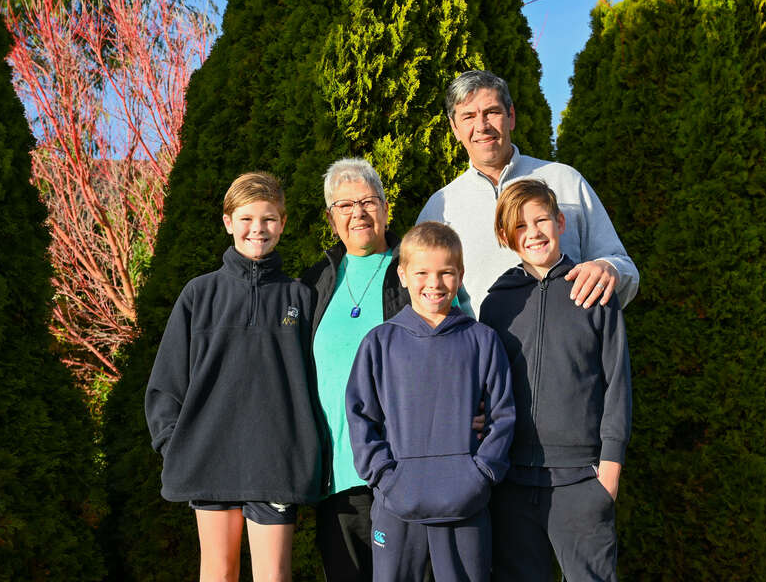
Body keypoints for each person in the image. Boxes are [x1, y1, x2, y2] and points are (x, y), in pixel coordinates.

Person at [302, 158, 477, 581]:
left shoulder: (416, 272)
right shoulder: (313, 282)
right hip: (337, 477)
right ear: (331, 218)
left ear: (385, 207)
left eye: (367, 201)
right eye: (344, 206)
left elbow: (465, 349)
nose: (357, 213)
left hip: (404, 471)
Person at [145, 172, 322, 582]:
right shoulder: (198, 295)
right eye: (246, 219)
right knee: (218, 573)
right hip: (209, 459)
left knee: (273, 576)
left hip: (278, 461)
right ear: (228, 222)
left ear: (283, 222)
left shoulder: (301, 296)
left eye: (269, 219)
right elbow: (165, 383)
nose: (257, 229)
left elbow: (318, 382)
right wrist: (176, 444)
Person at [479, 179, 632, 582]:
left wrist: (609, 473)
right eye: (519, 226)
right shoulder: (498, 302)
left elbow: (617, 383)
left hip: (580, 480)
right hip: (511, 482)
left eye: (541, 220)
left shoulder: (594, 292)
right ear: (505, 236)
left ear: (560, 221)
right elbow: (486, 382)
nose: (533, 233)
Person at [346, 222, 516, 582]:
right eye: (422, 273)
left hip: (465, 505)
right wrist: (384, 477)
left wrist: (482, 474)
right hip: (397, 505)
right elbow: (360, 417)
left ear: (460, 275)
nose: (434, 284)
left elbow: (503, 414)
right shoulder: (379, 343)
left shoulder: (482, 340)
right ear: (403, 275)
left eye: (445, 273)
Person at [416, 69, 639, 316]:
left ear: (510, 116)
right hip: (481, 353)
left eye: (492, 112)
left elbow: (626, 270)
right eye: (468, 116)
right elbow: (421, 296)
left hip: (564, 350)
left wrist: (609, 268)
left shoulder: (565, 180)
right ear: (455, 128)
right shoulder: (440, 207)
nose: (481, 126)